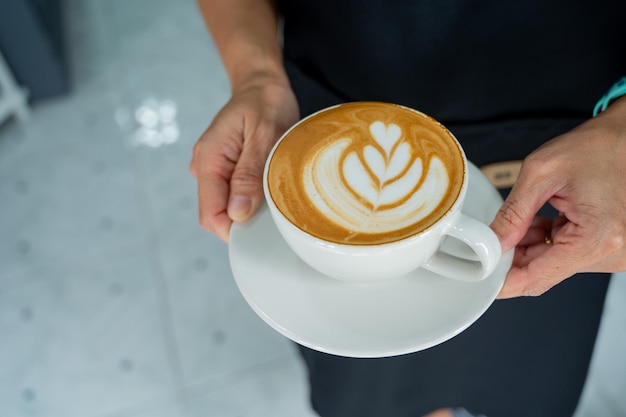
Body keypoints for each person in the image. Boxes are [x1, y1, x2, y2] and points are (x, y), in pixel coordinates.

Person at [190, 1, 626, 416]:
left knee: (526, 353)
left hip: (585, 153)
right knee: (368, 384)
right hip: (323, 128)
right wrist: (256, 76)